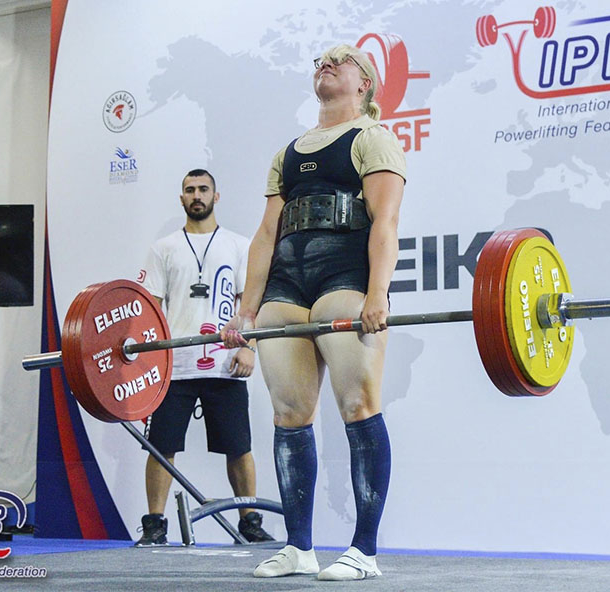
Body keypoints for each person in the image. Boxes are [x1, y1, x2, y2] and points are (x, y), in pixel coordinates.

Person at [221, 44, 406, 580]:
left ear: (364, 84)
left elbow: (385, 221)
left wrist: (377, 295)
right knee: (289, 414)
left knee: (358, 404)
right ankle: (299, 547)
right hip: (287, 279)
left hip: (344, 274)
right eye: (322, 59)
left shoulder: (372, 137)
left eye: (342, 60)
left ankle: (364, 552)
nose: (327, 63)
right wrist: (246, 312)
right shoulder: (290, 150)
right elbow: (264, 234)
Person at [134, 169, 274, 546]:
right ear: (181, 198)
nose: (196, 195)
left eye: (203, 189)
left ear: (216, 195)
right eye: (189, 190)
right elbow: (149, 308)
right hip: (173, 367)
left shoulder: (239, 245)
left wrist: (249, 346)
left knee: (239, 446)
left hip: (225, 364)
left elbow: (251, 304)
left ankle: (250, 522)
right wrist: (149, 363)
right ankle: (154, 525)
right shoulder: (164, 248)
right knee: (161, 446)